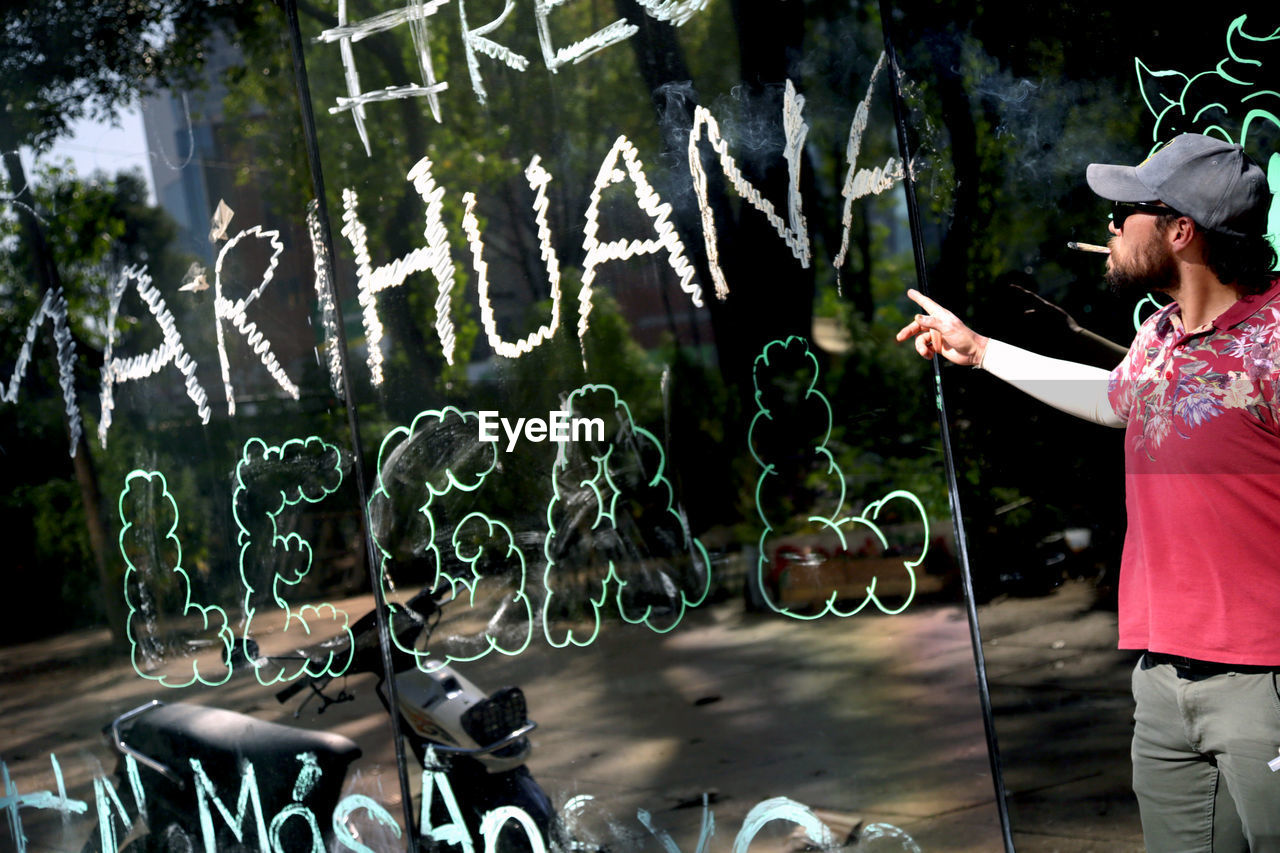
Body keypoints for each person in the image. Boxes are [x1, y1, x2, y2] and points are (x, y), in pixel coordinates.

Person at [896, 132, 1279, 851]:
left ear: (1179, 230)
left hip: (1265, 685)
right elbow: (1116, 399)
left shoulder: (1275, 341)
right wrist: (979, 350)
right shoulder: (1160, 336)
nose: (1108, 224)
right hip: (1162, 682)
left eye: (1124, 209)